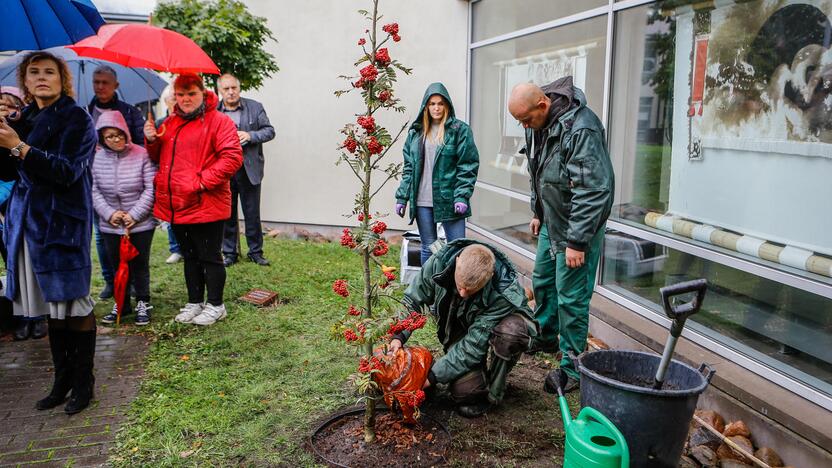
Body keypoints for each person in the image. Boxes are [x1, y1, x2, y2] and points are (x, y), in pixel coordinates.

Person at [0, 51, 98, 414]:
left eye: (49, 72)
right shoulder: (24, 118)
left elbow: (67, 172)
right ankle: (62, 380)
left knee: (73, 304)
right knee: (50, 309)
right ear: (25, 81)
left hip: (62, 226)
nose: (42, 78)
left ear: (62, 79)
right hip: (27, 226)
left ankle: (84, 385)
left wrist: (18, 146)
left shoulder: (77, 119)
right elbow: (9, 174)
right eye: (34, 72)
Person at [507, 78, 614, 393]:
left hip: (577, 228)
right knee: (543, 280)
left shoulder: (582, 129)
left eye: (526, 119)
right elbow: (539, 170)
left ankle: (573, 367)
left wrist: (577, 241)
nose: (524, 126)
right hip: (552, 220)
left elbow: (594, 190)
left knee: (571, 296)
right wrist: (538, 210)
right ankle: (545, 335)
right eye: (520, 121)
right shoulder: (536, 124)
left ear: (543, 104)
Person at [388, 240, 538, 418]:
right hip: (465, 325)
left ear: (489, 276)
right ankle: (476, 376)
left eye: (471, 290)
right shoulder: (439, 262)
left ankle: (494, 388)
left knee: (510, 332)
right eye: (460, 287)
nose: (463, 294)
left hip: (500, 326)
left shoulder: (503, 293)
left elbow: (472, 346)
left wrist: (430, 378)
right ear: (457, 261)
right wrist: (398, 335)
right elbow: (412, 300)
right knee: (466, 392)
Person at [144, 73, 243, 326]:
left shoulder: (219, 122)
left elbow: (231, 158)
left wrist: (200, 182)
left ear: (203, 93)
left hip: (206, 202)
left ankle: (216, 305)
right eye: (180, 94)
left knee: (209, 256)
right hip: (178, 203)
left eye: (191, 94)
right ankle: (195, 301)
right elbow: (159, 156)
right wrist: (152, 139)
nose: (186, 99)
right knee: (189, 255)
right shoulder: (170, 122)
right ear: (174, 96)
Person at [394, 82, 479, 266]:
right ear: (426, 106)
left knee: (457, 249)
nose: (436, 108)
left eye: (440, 103)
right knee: (428, 247)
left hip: (450, 200)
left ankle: (455, 292)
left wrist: (462, 196)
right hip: (422, 201)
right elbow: (409, 168)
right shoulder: (416, 133)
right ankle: (429, 290)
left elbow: (468, 165)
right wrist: (402, 197)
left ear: (447, 105)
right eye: (432, 104)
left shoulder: (459, 131)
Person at [92, 110, 157, 326]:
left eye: (119, 134)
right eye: (110, 136)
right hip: (110, 224)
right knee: (116, 264)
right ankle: (122, 302)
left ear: (126, 132)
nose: (115, 139)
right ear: (102, 138)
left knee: (139, 265)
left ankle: (142, 302)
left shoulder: (141, 154)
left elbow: (150, 188)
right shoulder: (97, 158)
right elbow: (93, 191)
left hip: (140, 223)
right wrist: (110, 213)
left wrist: (134, 215)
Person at [87, 65, 146, 300]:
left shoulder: (129, 112)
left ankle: (131, 282)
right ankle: (111, 281)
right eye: (96, 82)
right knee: (102, 236)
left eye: (105, 82)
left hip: (129, 182)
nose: (100, 86)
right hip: (97, 181)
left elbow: (140, 143)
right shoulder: (85, 111)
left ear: (116, 86)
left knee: (131, 235)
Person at [0, 86, 47, 341]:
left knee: (34, 258)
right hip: (8, 208)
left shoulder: (31, 126)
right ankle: (20, 315)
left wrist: (14, 140)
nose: (7, 110)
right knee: (13, 261)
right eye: (2, 105)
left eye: (11, 105)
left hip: (31, 203)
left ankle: (38, 315)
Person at [217, 73, 275, 267]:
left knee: (252, 214)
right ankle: (229, 253)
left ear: (239, 88)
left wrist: (250, 135)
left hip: (249, 169)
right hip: (224, 172)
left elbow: (269, 131)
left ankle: (256, 252)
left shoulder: (255, 107)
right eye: (226, 89)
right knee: (227, 215)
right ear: (220, 91)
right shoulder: (214, 112)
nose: (231, 92)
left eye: (234, 87)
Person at [155, 86, 183, 265]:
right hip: (166, 174)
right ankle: (175, 248)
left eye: (178, 97)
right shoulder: (159, 123)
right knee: (170, 214)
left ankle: (187, 247)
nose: (177, 101)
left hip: (183, 173)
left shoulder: (187, 121)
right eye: (173, 98)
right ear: (166, 101)